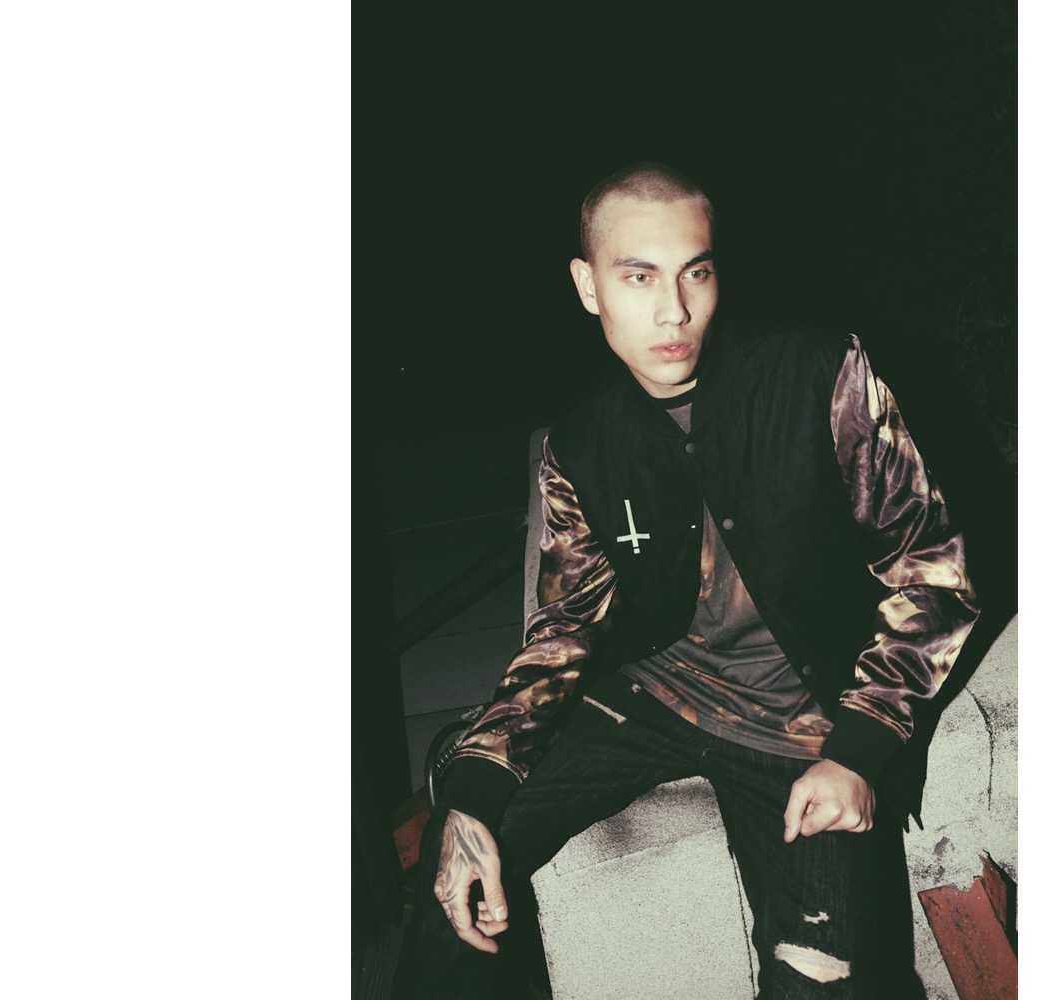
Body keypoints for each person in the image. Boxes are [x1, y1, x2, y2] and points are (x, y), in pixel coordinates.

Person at [399, 162, 980, 999]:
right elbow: (565, 628)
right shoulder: (582, 444)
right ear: (588, 286)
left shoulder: (820, 373)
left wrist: (860, 750)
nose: (674, 311)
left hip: (806, 724)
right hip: (649, 697)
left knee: (819, 979)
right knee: (453, 865)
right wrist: (477, 786)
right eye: (638, 277)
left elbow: (933, 573)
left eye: (695, 273)